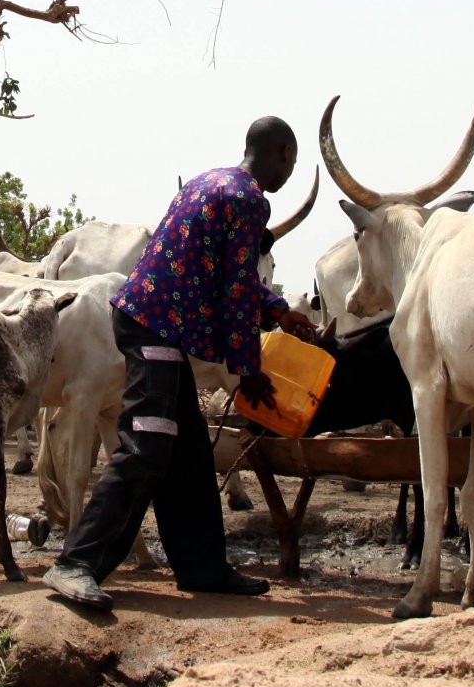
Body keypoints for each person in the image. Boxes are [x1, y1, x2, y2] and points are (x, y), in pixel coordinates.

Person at [43, 115, 308, 611]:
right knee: (146, 445)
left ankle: (204, 568)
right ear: (282, 155)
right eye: (290, 164)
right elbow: (233, 292)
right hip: (158, 327)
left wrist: (278, 311)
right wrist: (248, 373)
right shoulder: (251, 200)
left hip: (147, 318)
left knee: (186, 454)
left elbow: (233, 277)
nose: (289, 175)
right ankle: (75, 563)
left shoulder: (210, 182)